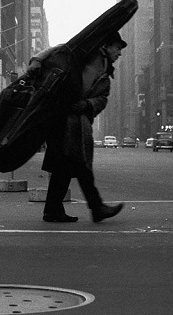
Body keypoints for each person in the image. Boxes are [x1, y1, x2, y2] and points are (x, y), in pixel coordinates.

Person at [27, 30, 127, 223]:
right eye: (117, 47)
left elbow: (101, 99)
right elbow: (57, 49)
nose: (119, 52)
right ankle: (95, 207)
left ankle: (55, 210)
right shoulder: (87, 52)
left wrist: (87, 105)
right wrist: (36, 61)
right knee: (75, 164)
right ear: (106, 45)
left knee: (65, 165)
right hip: (61, 117)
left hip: (77, 122)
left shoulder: (106, 70)